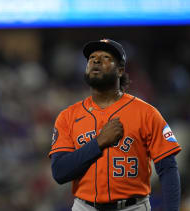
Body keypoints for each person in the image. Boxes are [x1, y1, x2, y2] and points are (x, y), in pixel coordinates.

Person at [49, 39, 182, 211]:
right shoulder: (68, 116)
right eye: (91, 57)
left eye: (105, 57)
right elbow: (60, 172)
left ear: (120, 70)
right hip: (85, 207)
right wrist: (99, 143)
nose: (96, 60)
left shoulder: (146, 113)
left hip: (133, 207)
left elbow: (168, 168)